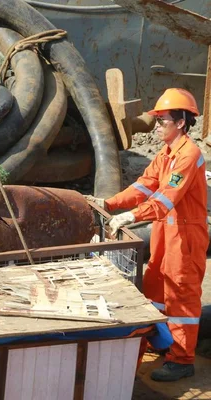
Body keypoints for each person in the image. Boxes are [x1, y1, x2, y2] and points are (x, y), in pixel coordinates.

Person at [86, 88, 207, 382]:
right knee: (153, 292)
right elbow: (143, 186)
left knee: (180, 297)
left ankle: (181, 360)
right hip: (166, 235)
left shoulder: (188, 155)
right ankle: (160, 343)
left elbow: (166, 198)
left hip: (186, 238)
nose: (156, 126)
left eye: (162, 120)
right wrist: (110, 203)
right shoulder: (165, 155)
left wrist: (131, 216)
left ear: (180, 123)